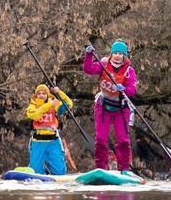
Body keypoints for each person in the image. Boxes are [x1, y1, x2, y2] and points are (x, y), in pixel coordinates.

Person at [83, 40, 138, 172]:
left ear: (124, 56)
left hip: (121, 107)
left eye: (120, 53)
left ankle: (124, 168)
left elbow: (133, 90)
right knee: (101, 139)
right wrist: (88, 55)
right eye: (115, 53)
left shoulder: (129, 70)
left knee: (123, 140)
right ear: (111, 54)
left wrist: (124, 89)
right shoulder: (103, 64)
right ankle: (101, 168)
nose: (118, 56)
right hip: (103, 106)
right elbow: (88, 69)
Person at [26, 84, 73, 175]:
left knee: (59, 172)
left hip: (53, 142)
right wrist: (48, 105)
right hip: (38, 141)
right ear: (36, 96)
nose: (41, 95)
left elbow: (69, 104)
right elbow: (36, 116)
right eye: (39, 93)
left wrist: (59, 92)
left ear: (47, 95)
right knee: (35, 172)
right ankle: (43, 172)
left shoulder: (55, 105)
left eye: (44, 93)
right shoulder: (32, 107)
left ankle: (50, 174)